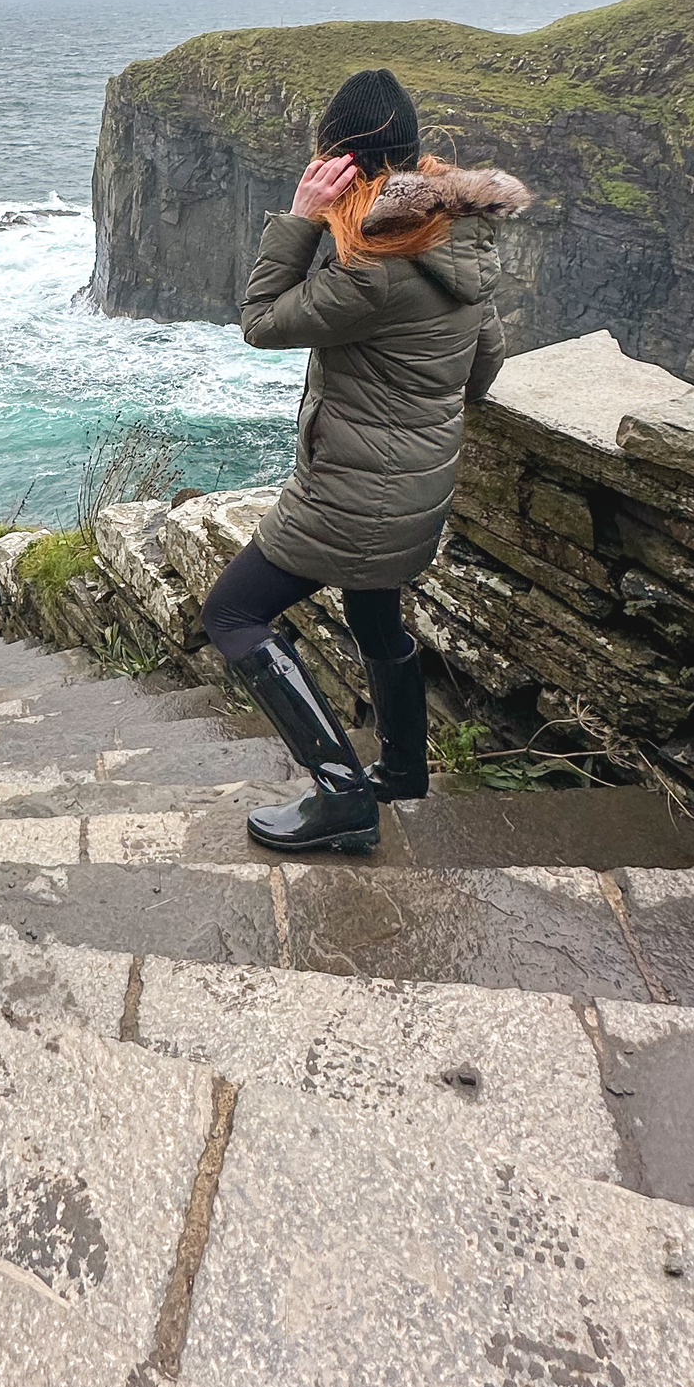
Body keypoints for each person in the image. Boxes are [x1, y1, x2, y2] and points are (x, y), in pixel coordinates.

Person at [200, 67, 532, 853]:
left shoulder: (375, 266)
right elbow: (481, 370)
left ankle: (344, 794)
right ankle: (405, 771)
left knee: (234, 613)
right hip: (421, 488)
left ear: (339, 163)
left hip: (355, 494)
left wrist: (301, 219)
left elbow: (262, 321)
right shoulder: (460, 239)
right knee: (372, 608)